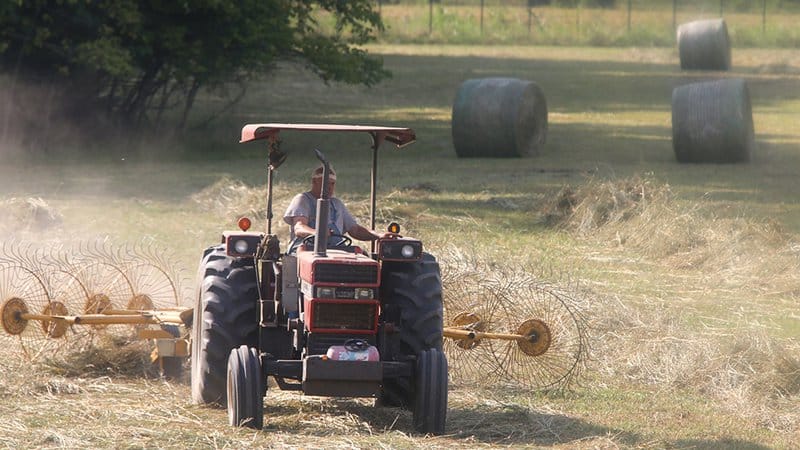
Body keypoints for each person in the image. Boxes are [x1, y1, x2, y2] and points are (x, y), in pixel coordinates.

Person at [283, 164, 394, 252]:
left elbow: (354, 230)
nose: (329, 187)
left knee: (361, 255)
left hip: (336, 250)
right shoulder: (302, 200)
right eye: (325, 183)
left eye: (332, 183)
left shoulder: (337, 204)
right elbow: (299, 227)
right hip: (306, 251)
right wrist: (317, 232)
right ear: (314, 182)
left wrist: (379, 235)